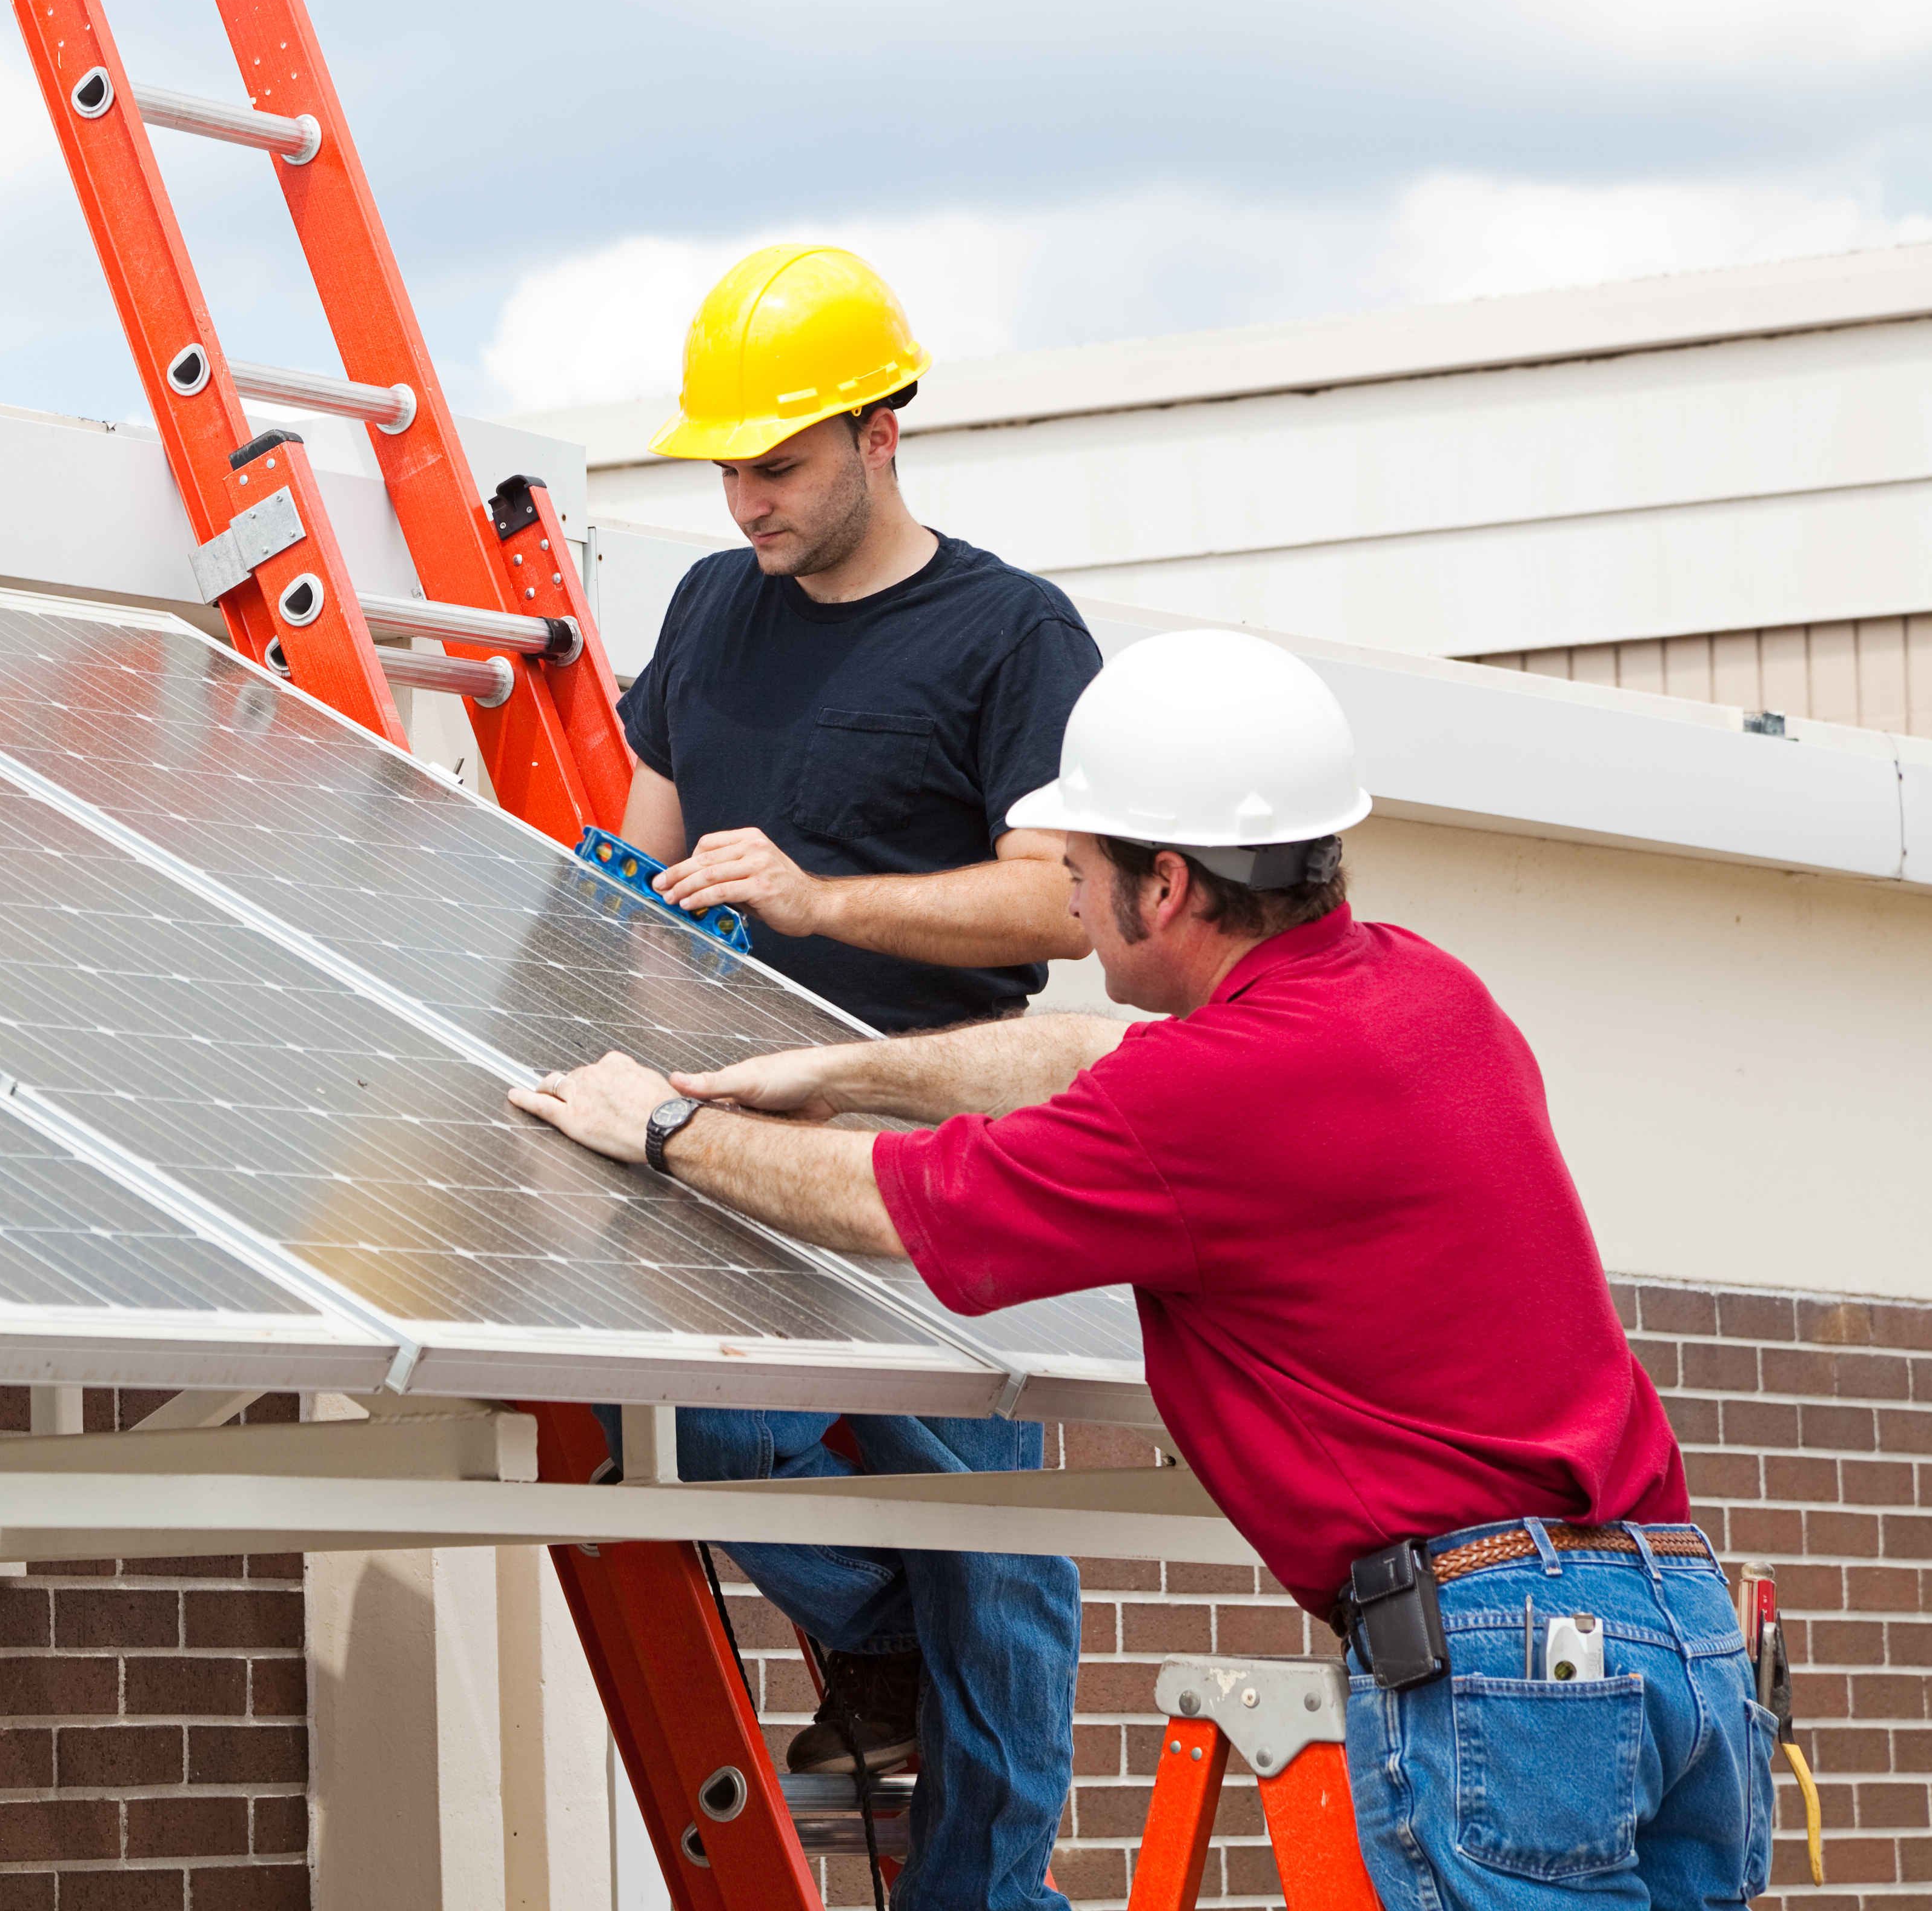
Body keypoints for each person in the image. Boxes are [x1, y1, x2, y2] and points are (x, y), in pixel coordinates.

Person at [516, 629, 1765, 1911]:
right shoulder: (1424, 992)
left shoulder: (1209, 1097)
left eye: (1080, 869)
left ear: (1163, 887)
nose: (1066, 903)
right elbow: (1076, 1057)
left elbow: (910, 1202)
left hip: (1506, 1662)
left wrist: (665, 1130)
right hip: (1674, 1624)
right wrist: (836, 1071)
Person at [614, 242, 1098, 1909]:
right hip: (731, 1132)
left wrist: (818, 901)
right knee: (699, 1453)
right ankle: (885, 1646)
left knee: (996, 1548)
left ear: (881, 436)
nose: (745, 498)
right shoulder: (705, 613)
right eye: (729, 465)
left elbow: (1063, 903)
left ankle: (987, 1896)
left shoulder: (1013, 635)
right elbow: (632, 858)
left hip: (931, 1140)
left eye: (780, 464)